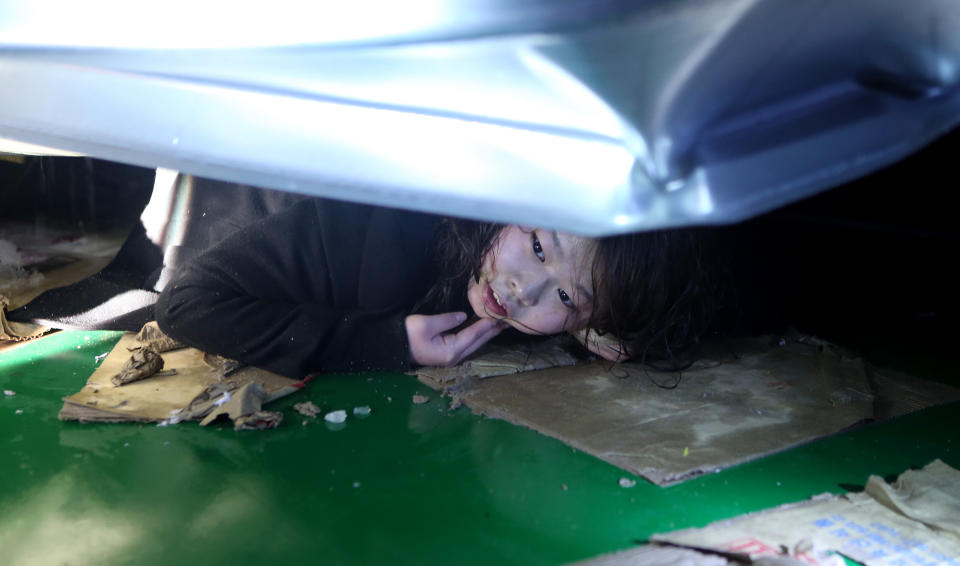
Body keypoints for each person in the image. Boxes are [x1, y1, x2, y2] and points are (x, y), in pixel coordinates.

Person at [155, 196, 716, 379]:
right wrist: (385, 343)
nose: (525, 291)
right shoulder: (374, 224)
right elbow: (185, 305)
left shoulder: (573, 319)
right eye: (540, 247)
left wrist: (609, 332)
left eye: (567, 297)